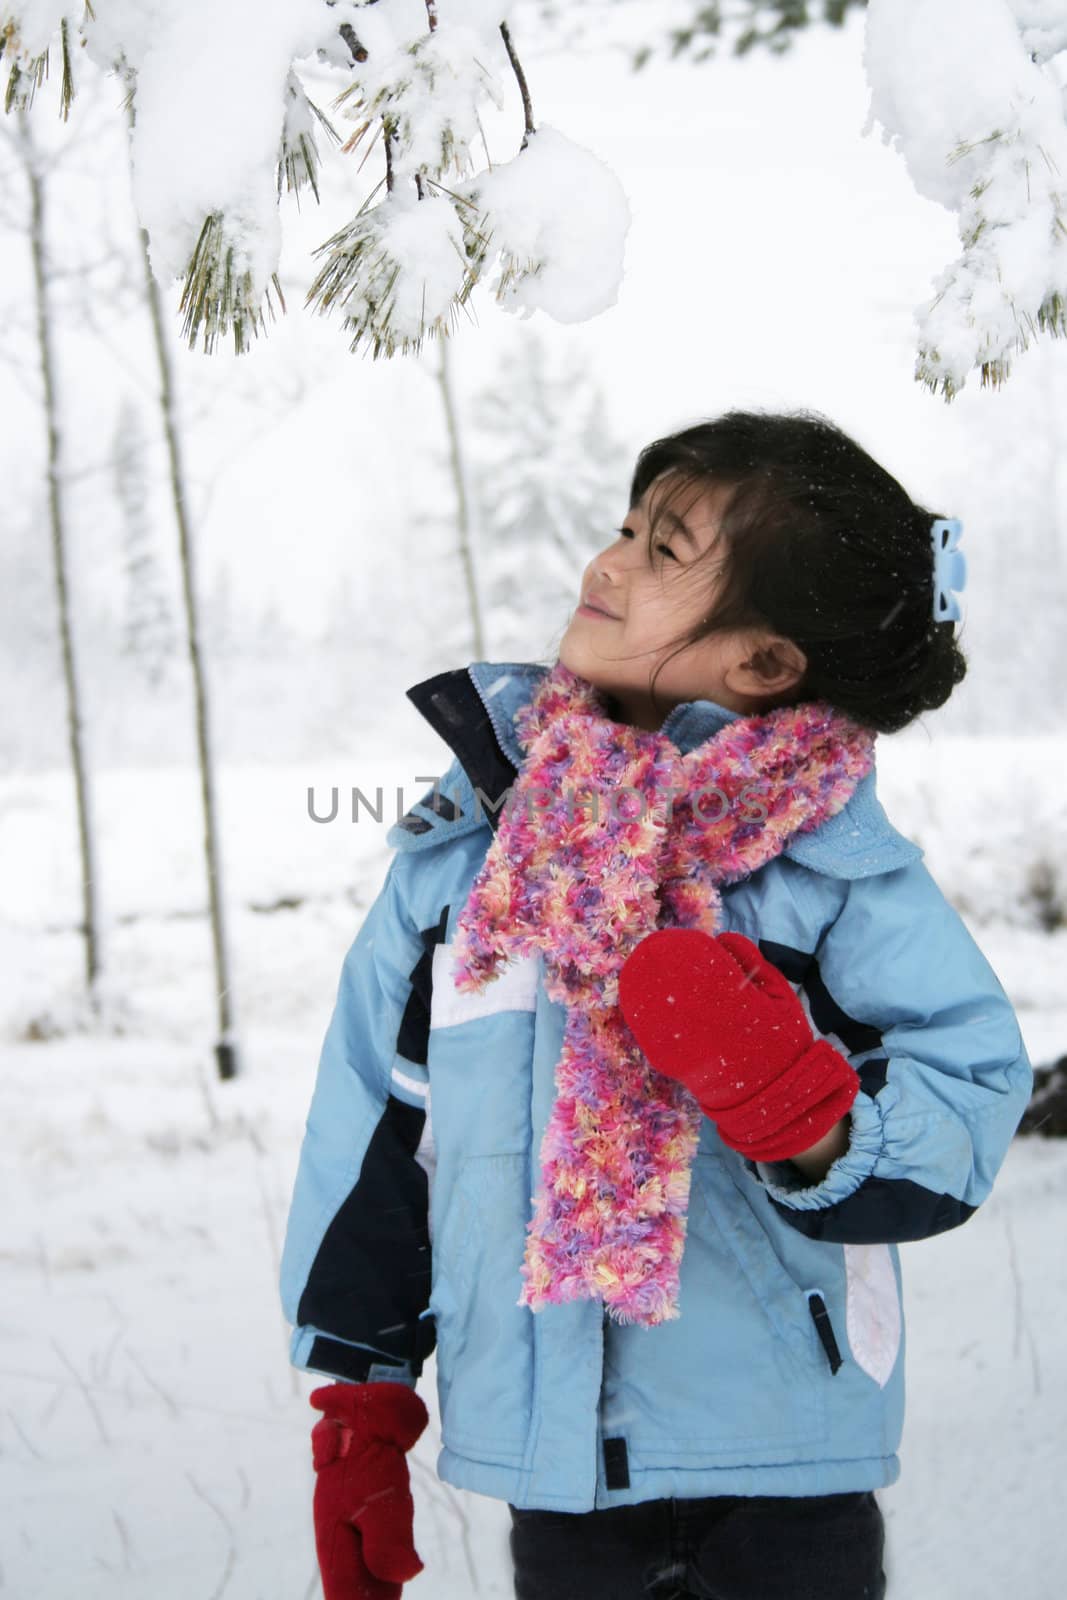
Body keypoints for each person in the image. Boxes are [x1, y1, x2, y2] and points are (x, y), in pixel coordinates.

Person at [279, 410, 1033, 1600]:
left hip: (787, 1471)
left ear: (763, 663)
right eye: (624, 527)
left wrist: (806, 1114)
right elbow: (386, 1125)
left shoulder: (830, 871)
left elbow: (972, 1085)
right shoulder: (472, 862)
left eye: (665, 549)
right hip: (560, 1478)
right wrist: (358, 1397)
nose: (608, 562)